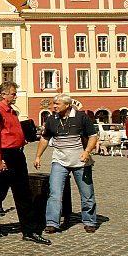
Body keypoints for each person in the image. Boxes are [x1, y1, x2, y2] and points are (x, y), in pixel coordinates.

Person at [0, 82, 51, 245]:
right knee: (0, 193)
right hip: (7, 156)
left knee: (22, 193)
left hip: (17, 154)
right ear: (3, 95)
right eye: (13, 94)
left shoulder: (12, 112)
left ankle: (29, 230)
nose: (15, 96)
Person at [34, 93, 98, 234]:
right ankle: (52, 222)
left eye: (57, 104)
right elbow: (45, 139)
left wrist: (87, 151)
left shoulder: (81, 117)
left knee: (87, 193)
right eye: (54, 103)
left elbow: (93, 136)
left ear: (67, 105)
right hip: (59, 160)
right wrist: (38, 156)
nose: (54, 106)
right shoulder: (52, 119)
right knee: (55, 193)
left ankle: (89, 221)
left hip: (81, 161)